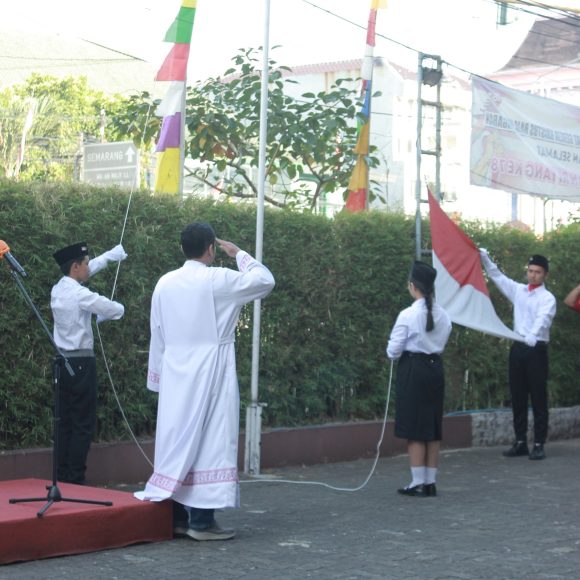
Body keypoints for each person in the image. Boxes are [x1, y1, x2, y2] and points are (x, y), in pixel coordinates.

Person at [134, 222, 275, 541]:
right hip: (211, 369)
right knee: (210, 439)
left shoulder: (165, 283)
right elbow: (265, 281)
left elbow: (157, 332)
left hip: (175, 372)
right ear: (210, 248)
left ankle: (177, 517)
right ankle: (201, 520)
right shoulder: (218, 279)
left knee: (176, 439)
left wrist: (156, 379)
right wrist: (239, 254)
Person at [51, 241, 126, 485]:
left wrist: (110, 255)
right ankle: (75, 480)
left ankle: (61, 478)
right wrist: (116, 310)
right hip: (82, 365)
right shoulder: (81, 294)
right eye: (85, 263)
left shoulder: (59, 289)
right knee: (83, 425)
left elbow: (89, 269)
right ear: (75, 267)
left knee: (65, 424)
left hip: (62, 364)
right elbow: (113, 309)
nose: (88, 266)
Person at [479, 251, 556, 460]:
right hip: (519, 347)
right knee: (518, 396)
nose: (533, 276)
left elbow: (544, 319)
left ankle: (539, 443)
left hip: (536, 348)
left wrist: (533, 335)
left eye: (537, 272)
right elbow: (499, 278)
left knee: (538, 398)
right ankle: (520, 441)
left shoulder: (547, 298)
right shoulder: (520, 291)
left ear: (545, 275)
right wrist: (486, 259)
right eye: (530, 271)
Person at [386, 261, 452, 498]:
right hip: (435, 369)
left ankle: (417, 482)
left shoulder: (408, 314)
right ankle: (430, 482)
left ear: (413, 286)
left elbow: (393, 351)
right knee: (432, 427)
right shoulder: (444, 315)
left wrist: (393, 351)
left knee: (415, 428)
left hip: (414, 369)